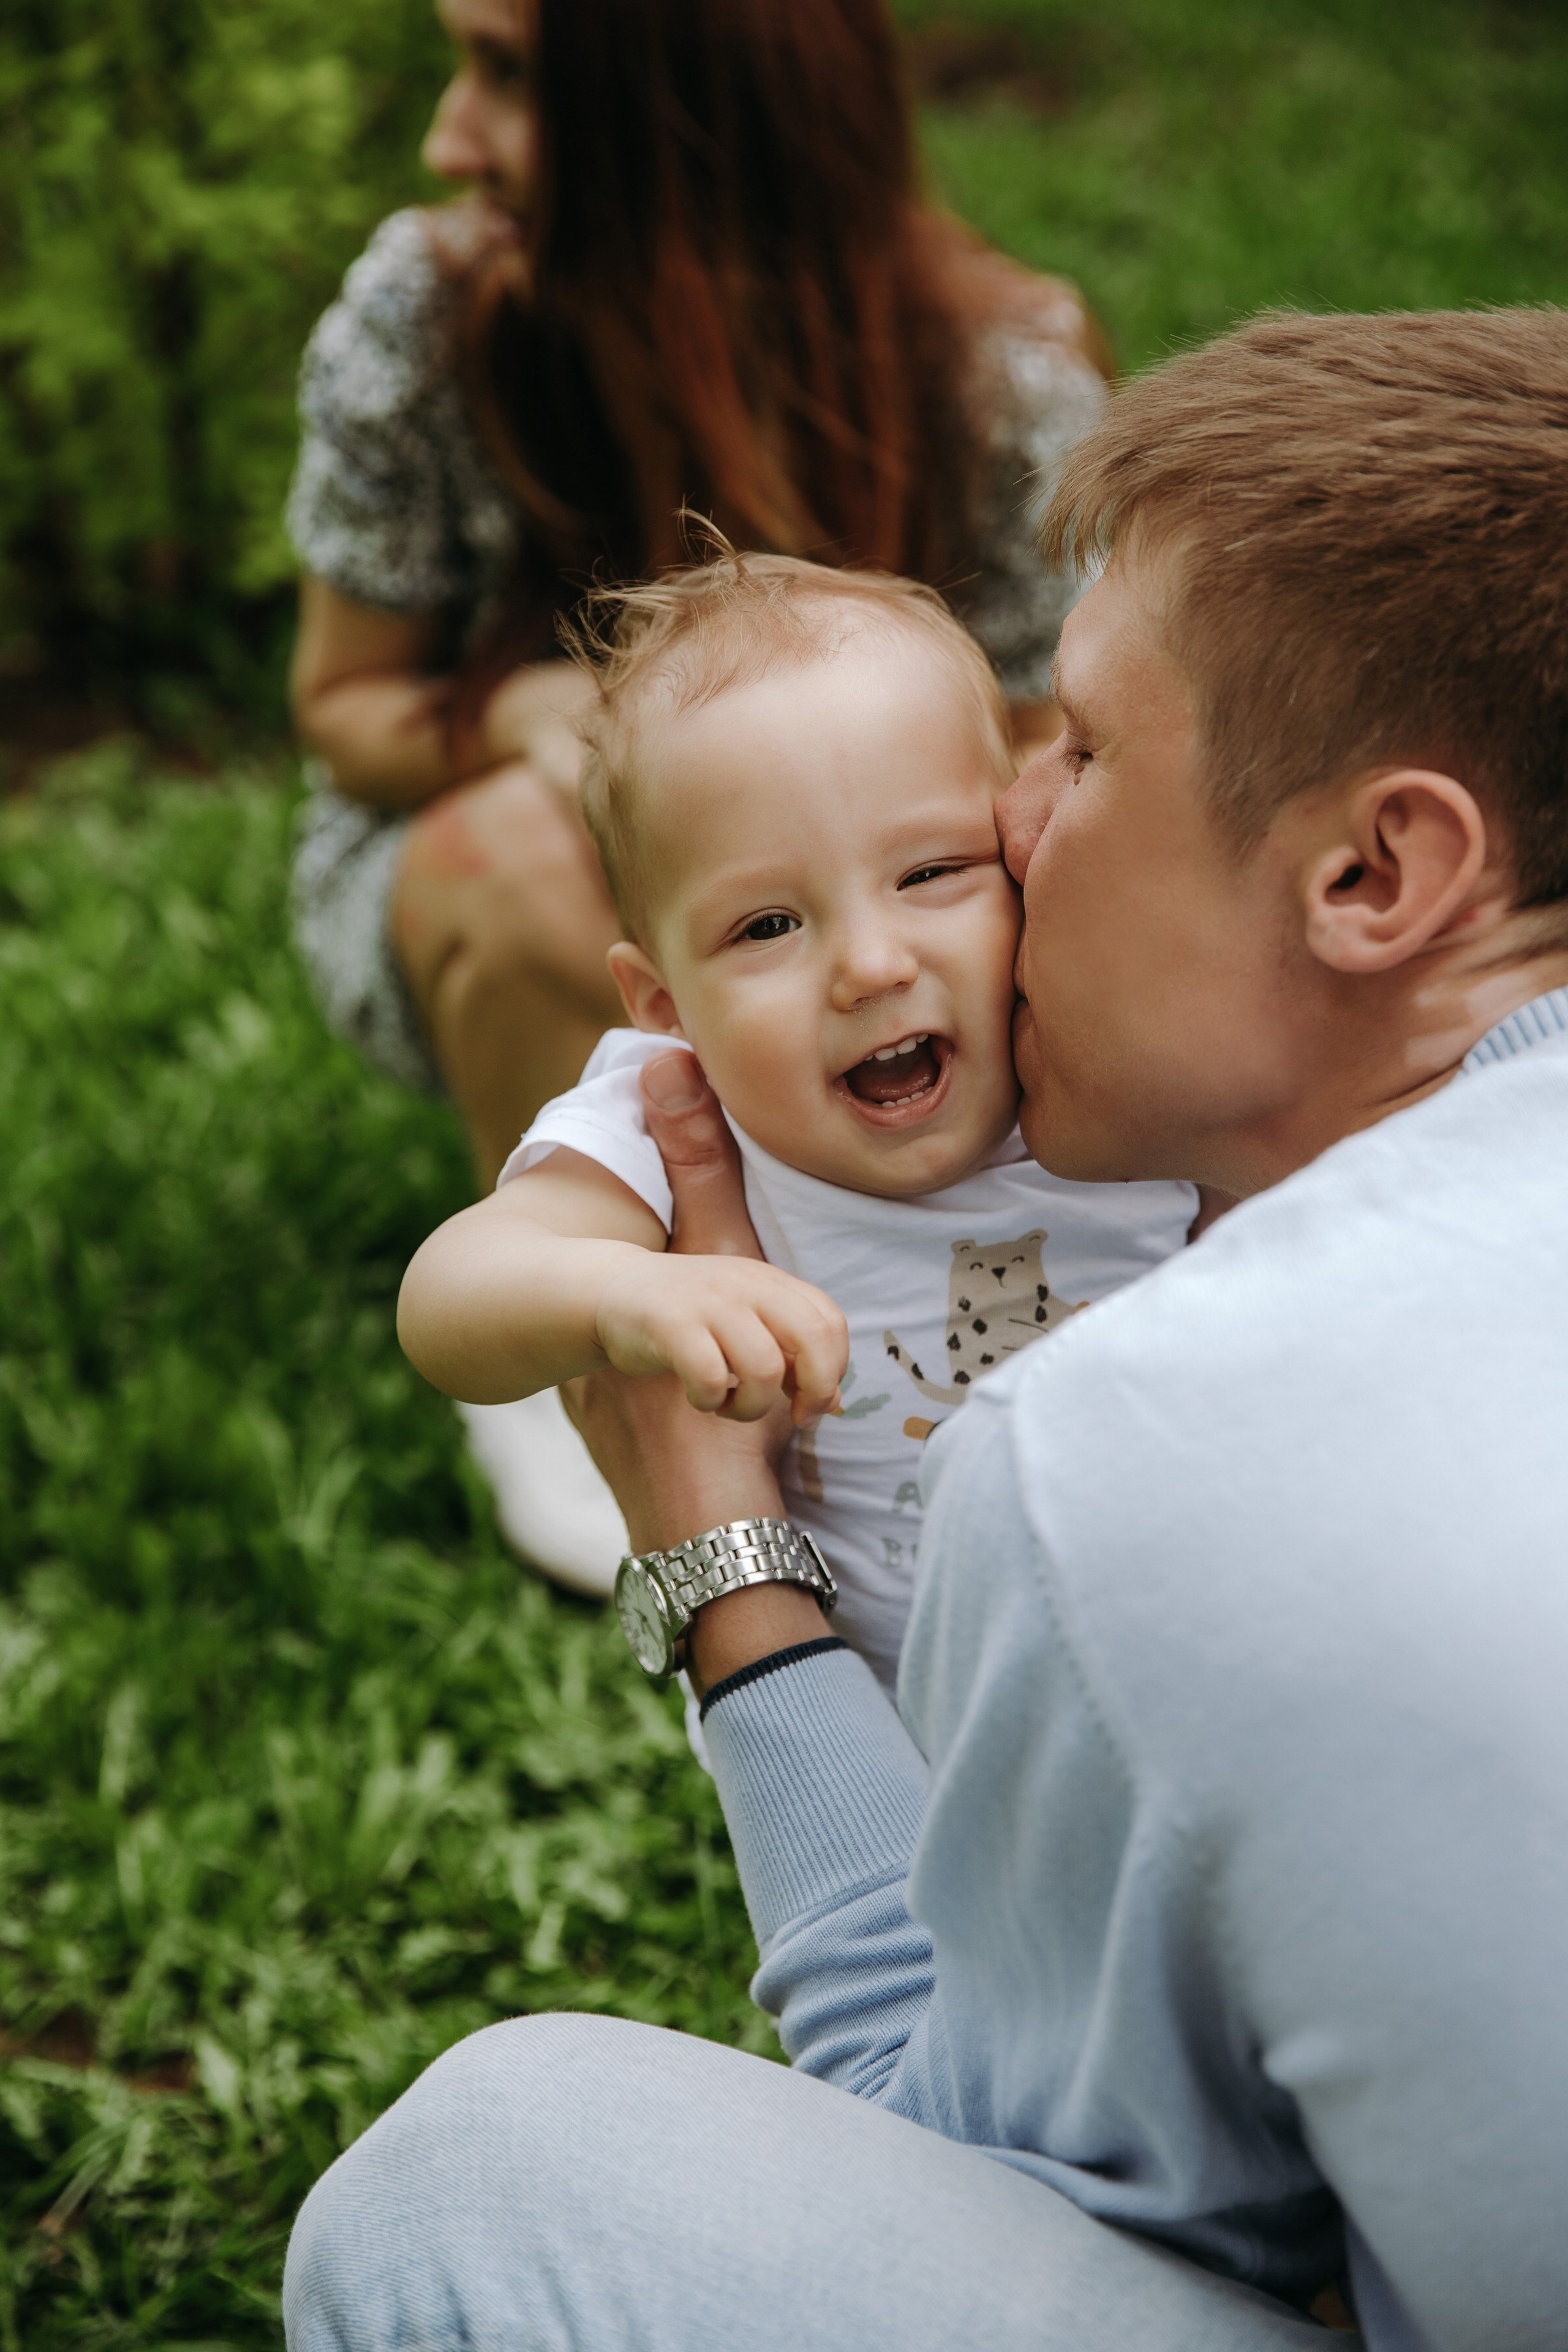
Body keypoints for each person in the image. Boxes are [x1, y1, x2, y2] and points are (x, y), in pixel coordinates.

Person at [283, 307, 1568, 2352]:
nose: (1028, 838)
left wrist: (726, 1574)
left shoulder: (1152, 1450)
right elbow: (468, 1281)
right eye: (771, 920)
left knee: (467, 2190)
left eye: (1075, 754)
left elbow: (943, 2131)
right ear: (662, 983)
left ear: (1381, 866)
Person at [284, 0, 1112, 1588]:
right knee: (528, 855)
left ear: (700, 107)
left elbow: (1052, 764)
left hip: (905, 872)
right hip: (510, 845)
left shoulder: (997, 371)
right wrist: (507, 715)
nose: (448, 140)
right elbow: (345, 711)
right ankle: (595, 1361)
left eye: (511, 76)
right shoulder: (434, 310)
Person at [397, 552, 1198, 1692]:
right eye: (768, 926)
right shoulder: (679, 1111)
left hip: (1185, 1655)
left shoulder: (1105, 1032)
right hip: (879, 1719)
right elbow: (447, 1301)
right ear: (665, 1002)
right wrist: (632, 1293)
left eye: (932, 872)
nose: (873, 964)